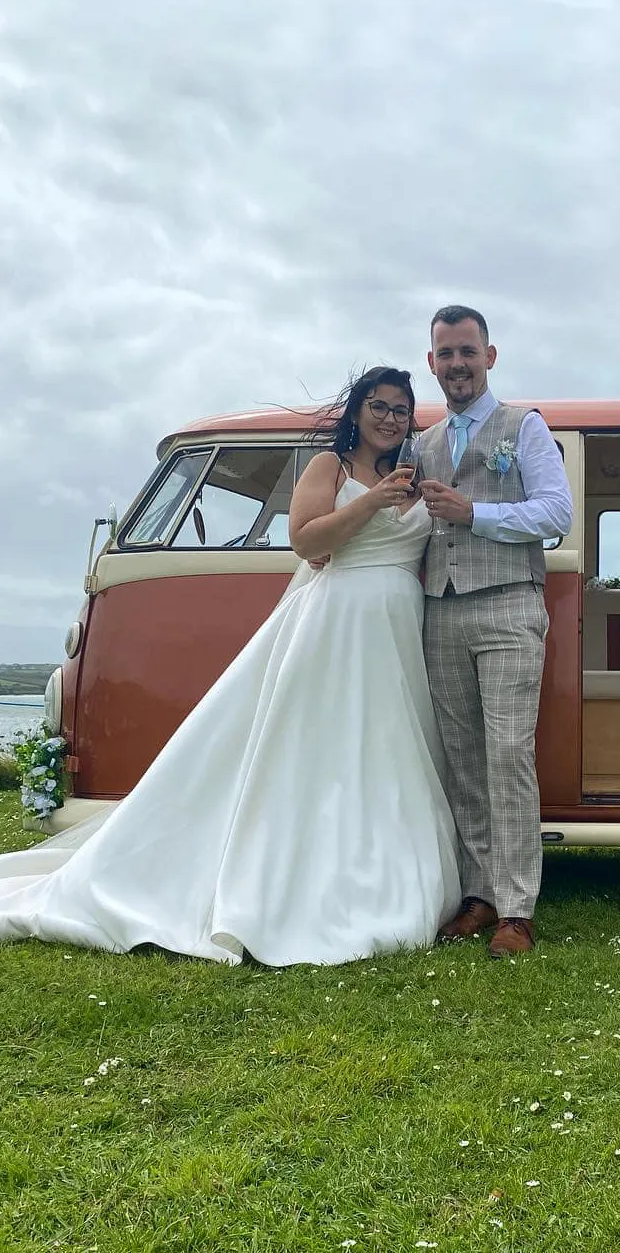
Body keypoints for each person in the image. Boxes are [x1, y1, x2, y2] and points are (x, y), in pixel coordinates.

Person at [0, 366, 462, 966]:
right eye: (380, 405)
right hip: (337, 621)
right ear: (357, 410)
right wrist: (374, 501)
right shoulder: (331, 469)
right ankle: (296, 870)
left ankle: (387, 862)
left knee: (386, 746)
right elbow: (308, 542)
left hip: (398, 628)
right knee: (320, 746)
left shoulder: (414, 475)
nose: (390, 419)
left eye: (401, 410)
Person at [417, 306, 572, 958]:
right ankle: (478, 895)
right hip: (440, 607)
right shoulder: (423, 442)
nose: (457, 364)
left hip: (509, 603)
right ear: (432, 363)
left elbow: (556, 512)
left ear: (490, 356)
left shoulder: (523, 427)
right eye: (446, 353)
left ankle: (517, 907)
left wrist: (474, 511)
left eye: (467, 351)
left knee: (509, 753)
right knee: (462, 755)